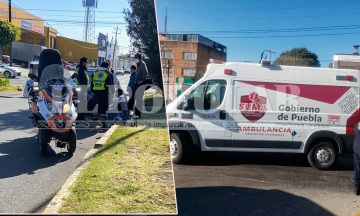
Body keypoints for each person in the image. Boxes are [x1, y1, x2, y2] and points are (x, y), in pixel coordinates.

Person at [89, 61, 114, 128]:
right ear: (107, 66)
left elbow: (92, 83)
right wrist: (113, 92)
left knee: (95, 108)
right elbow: (111, 85)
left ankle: (94, 122)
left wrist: (92, 91)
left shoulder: (94, 73)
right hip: (105, 93)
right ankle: (103, 124)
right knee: (103, 108)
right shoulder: (109, 74)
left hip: (95, 93)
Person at [133, 53, 149, 118]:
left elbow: (146, 72)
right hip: (136, 83)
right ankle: (136, 113)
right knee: (135, 98)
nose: (135, 59)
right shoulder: (138, 64)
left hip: (140, 84)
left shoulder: (142, 64)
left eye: (136, 58)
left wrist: (142, 80)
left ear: (139, 58)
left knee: (139, 99)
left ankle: (138, 114)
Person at [354, 120, 360, 195]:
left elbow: (355, 130)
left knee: (358, 168)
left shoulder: (358, 122)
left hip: (357, 147)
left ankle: (357, 188)